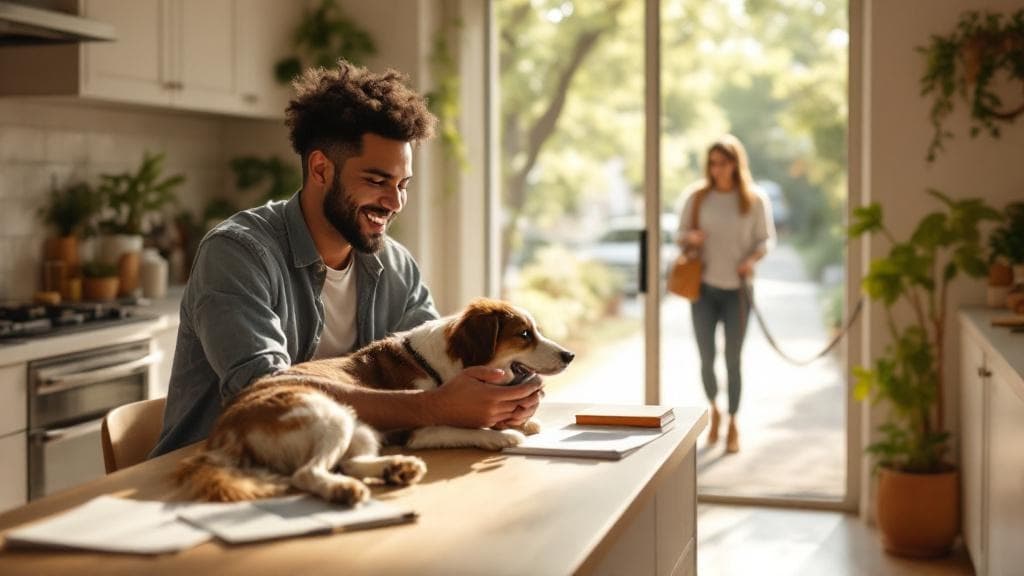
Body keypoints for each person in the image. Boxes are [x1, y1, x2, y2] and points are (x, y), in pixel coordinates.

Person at [151, 61, 543, 457]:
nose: (395, 202)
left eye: (403, 184)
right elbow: (264, 389)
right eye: (377, 181)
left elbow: (437, 371)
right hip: (209, 469)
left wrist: (500, 399)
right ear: (321, 169)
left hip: (330, 468)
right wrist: (435, 408)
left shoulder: (397, 267)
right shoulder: (237, 253)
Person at [676, 135, 775, 454]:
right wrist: (690, 237)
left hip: (738, 292)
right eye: (712, 163)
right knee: (706, 358)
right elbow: (679, 236)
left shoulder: (754, 199)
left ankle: (733, 422)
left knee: (733, 359)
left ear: (735, 163)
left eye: (722, 162)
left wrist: (751, 260)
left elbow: (765, 240)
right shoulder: (697, 197)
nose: (716, 169)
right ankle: (714, 409)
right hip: (703, 289)